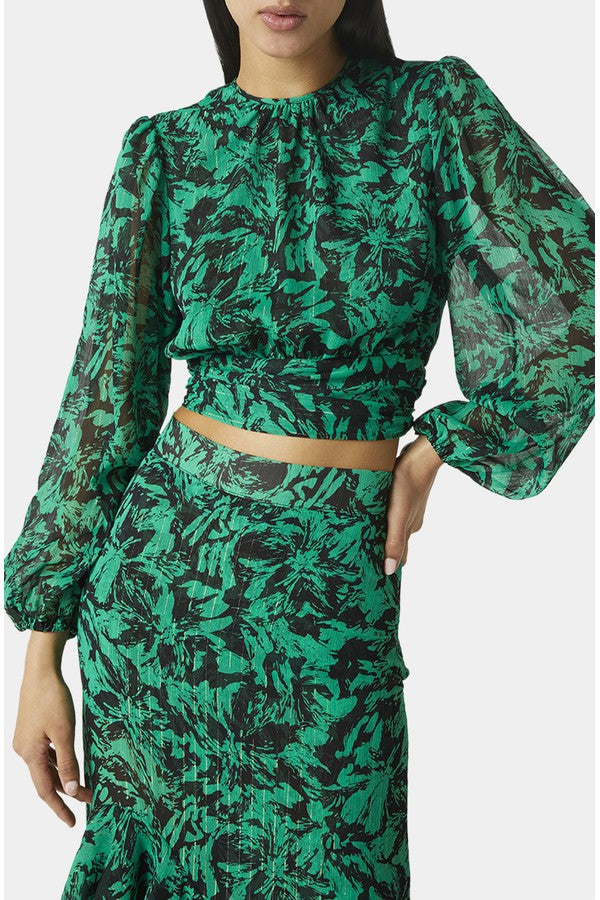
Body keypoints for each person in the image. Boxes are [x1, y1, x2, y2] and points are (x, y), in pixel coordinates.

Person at [4, 0, 594, 897]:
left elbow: (573, 301)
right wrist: (41, 656)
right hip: (159, 602)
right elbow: (103, 398)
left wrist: (440, 447)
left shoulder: (435, 112)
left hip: (331, 596)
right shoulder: (165, 151)